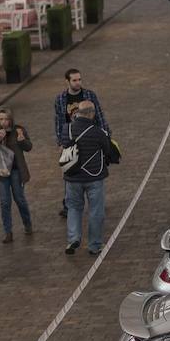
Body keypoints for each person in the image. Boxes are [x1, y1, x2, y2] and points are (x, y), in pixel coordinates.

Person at [54, 69, 110, 217]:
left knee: (95, 168)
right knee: (69, 169)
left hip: (90, 136)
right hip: (71, 139)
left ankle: (97, 201)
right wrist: (61, 142)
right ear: (67, 81)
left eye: (79, 79)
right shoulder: (60, 99)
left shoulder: (89, 95)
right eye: (74, 80)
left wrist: (105, 134)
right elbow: (59, 122)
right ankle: (68, 205)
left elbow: (98, 115)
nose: (78, 82)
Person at [61, 101, 113, 256]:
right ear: (91, 113)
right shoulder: (97, 131)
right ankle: (94, 245)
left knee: (74, 208)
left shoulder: (67, 129)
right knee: (96, 211)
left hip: (72, 177)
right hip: (94, 176)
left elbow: (65, 144)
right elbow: (107, 149)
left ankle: (73, 238)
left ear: (78, 112)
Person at [0, 108, 33, 243]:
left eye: (6, 119)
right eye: (1, 119)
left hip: (16, 171)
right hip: (1, 171)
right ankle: (8, 232)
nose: (4, 122)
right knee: (5, 202)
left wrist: (22, 140)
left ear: (11, 119)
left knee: (19, 199)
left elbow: (29, 147)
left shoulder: (18, 130)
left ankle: (27, 224)